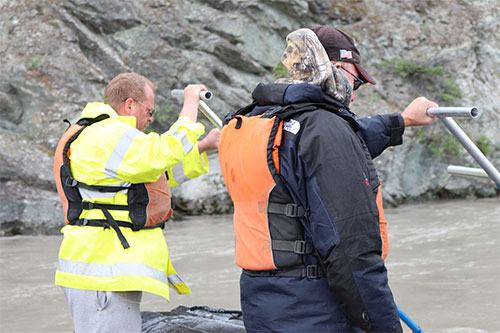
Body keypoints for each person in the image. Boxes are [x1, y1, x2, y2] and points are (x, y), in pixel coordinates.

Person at [218, 28, 437, 332]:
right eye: (355, 79)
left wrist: (401, 121)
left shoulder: (261, 121)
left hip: (264, 307)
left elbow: (332, 146)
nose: (356, 90)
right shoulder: (321, 128)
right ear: (335, 69)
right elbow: (353, 255)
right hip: (316, 312)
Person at [53, 72, 220, 332]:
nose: (151, 118)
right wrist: (190, 104)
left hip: (103, 271)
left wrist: (202, 147)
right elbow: (160, 154)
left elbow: (153, 179)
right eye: (149, 110)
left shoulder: (102, 134)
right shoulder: (108, 134)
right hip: (101, 274)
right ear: (129, 105)